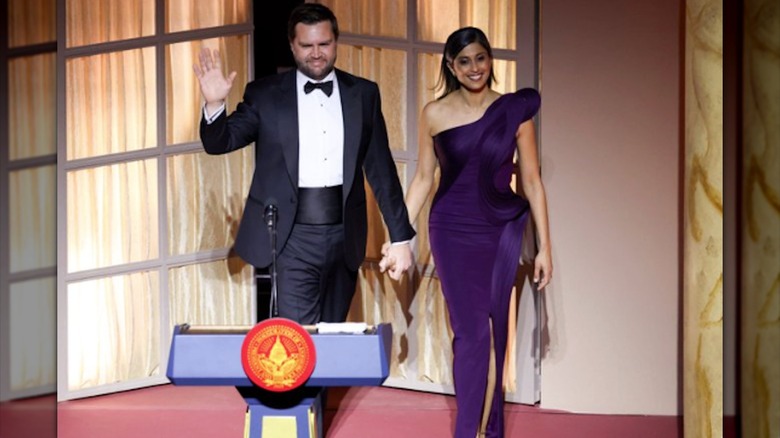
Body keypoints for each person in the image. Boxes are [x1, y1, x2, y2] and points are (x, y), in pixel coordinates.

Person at [193, 3, 415, 325]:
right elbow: (219, 143)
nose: (316, 54)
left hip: (345, 234)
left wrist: (400, 238)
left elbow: (382, 170)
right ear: (292, 45)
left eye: (324, 44)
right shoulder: (265, 95)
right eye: (307, 45)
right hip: (291, 236)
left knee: (332, 334)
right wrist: (214, 105)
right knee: (300, 339)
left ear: (336, 42)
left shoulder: (363, 94)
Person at [380, 27, 552, 437]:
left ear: (489, 60)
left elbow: (531, 180)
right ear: (451, 67)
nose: (474, 68)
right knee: (471, 333)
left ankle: (485, 431)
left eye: (480, 58)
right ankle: (469, 431)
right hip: (451, 231)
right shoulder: (434, 113)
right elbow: (424, 178)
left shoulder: (514, 112)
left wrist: (545, 247)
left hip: (500, 231)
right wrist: (400, 235)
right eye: (464, 61)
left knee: (493, 332)